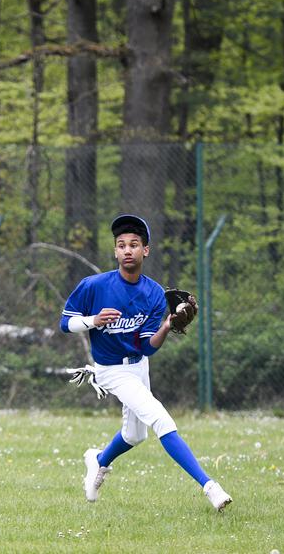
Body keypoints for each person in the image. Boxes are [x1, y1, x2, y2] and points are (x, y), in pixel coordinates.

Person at [59, 214, 232, 511]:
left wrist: (166, 326)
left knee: (134, 434)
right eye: (121, 245)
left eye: (134, 244)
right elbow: (65, 323)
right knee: (160, 418)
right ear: (115, 251)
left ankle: (98, 460)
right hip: (111, 370)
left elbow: (146, 347)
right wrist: (92, 320)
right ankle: (210, 487)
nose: (127, 250)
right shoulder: (94, 286)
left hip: (138, 366)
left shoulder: (153, 293)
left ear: (145, 251)